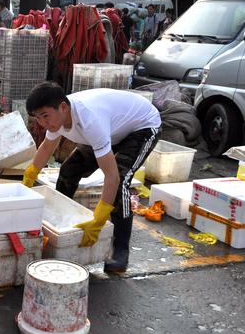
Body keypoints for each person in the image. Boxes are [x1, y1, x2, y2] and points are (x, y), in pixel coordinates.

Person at [21, 83, 161, 274]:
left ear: (63, 107)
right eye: (38, 118)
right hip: (112, 129)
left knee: (121, 179)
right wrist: (29, 177)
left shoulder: (90, 121)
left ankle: (120, 249)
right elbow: (47, 147)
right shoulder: (56, 119)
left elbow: (112, 177)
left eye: (45, 116)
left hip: (142, 126)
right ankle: (63, 225)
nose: (43, 123)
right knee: (69, 170)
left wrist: (99, 219)